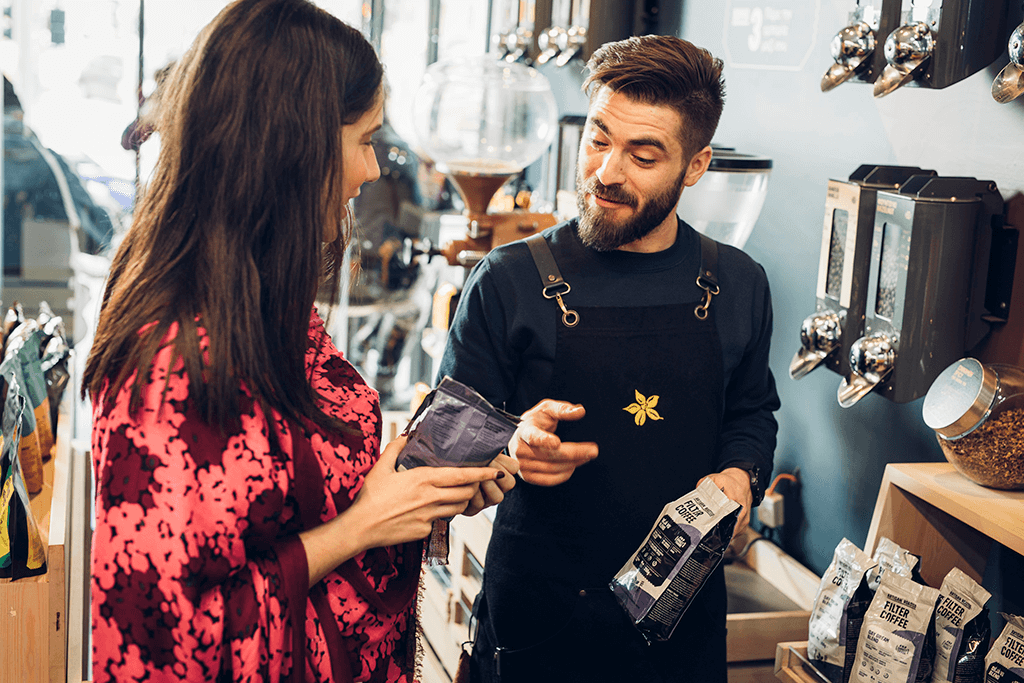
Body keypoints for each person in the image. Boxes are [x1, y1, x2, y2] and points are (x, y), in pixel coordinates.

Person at [82, 1, 516, 681]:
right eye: (365, 139)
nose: (372, 171)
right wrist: (364, 524)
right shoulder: (171, 357)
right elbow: (170, 636)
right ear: (295, 145)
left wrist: (413, 495)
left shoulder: (262, 298)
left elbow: (295, 502)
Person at [438, 34, 780, 683]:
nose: (606, 172)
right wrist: (512, 445)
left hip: (680, 636)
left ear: (696, 164)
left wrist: (741, 473)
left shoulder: (736, 283)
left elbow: (752, 411)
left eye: (643, 155)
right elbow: (440, 462)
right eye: (598, 140)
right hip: (538, 631)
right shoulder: (508, 280)